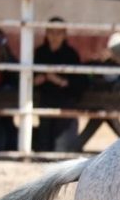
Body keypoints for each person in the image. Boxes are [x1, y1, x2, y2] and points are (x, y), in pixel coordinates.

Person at [33, 16, 87, 152]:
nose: (54, 36)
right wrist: (38, 80)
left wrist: (59, 80)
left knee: (61, 148)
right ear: (46, 33)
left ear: (64, 35)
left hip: (65, 102)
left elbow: (79, 84)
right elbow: (28, 79)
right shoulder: (40, 53)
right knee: (44, 145)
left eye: (58, 33)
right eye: (51, 32)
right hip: (44, 100)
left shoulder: (70, 55)